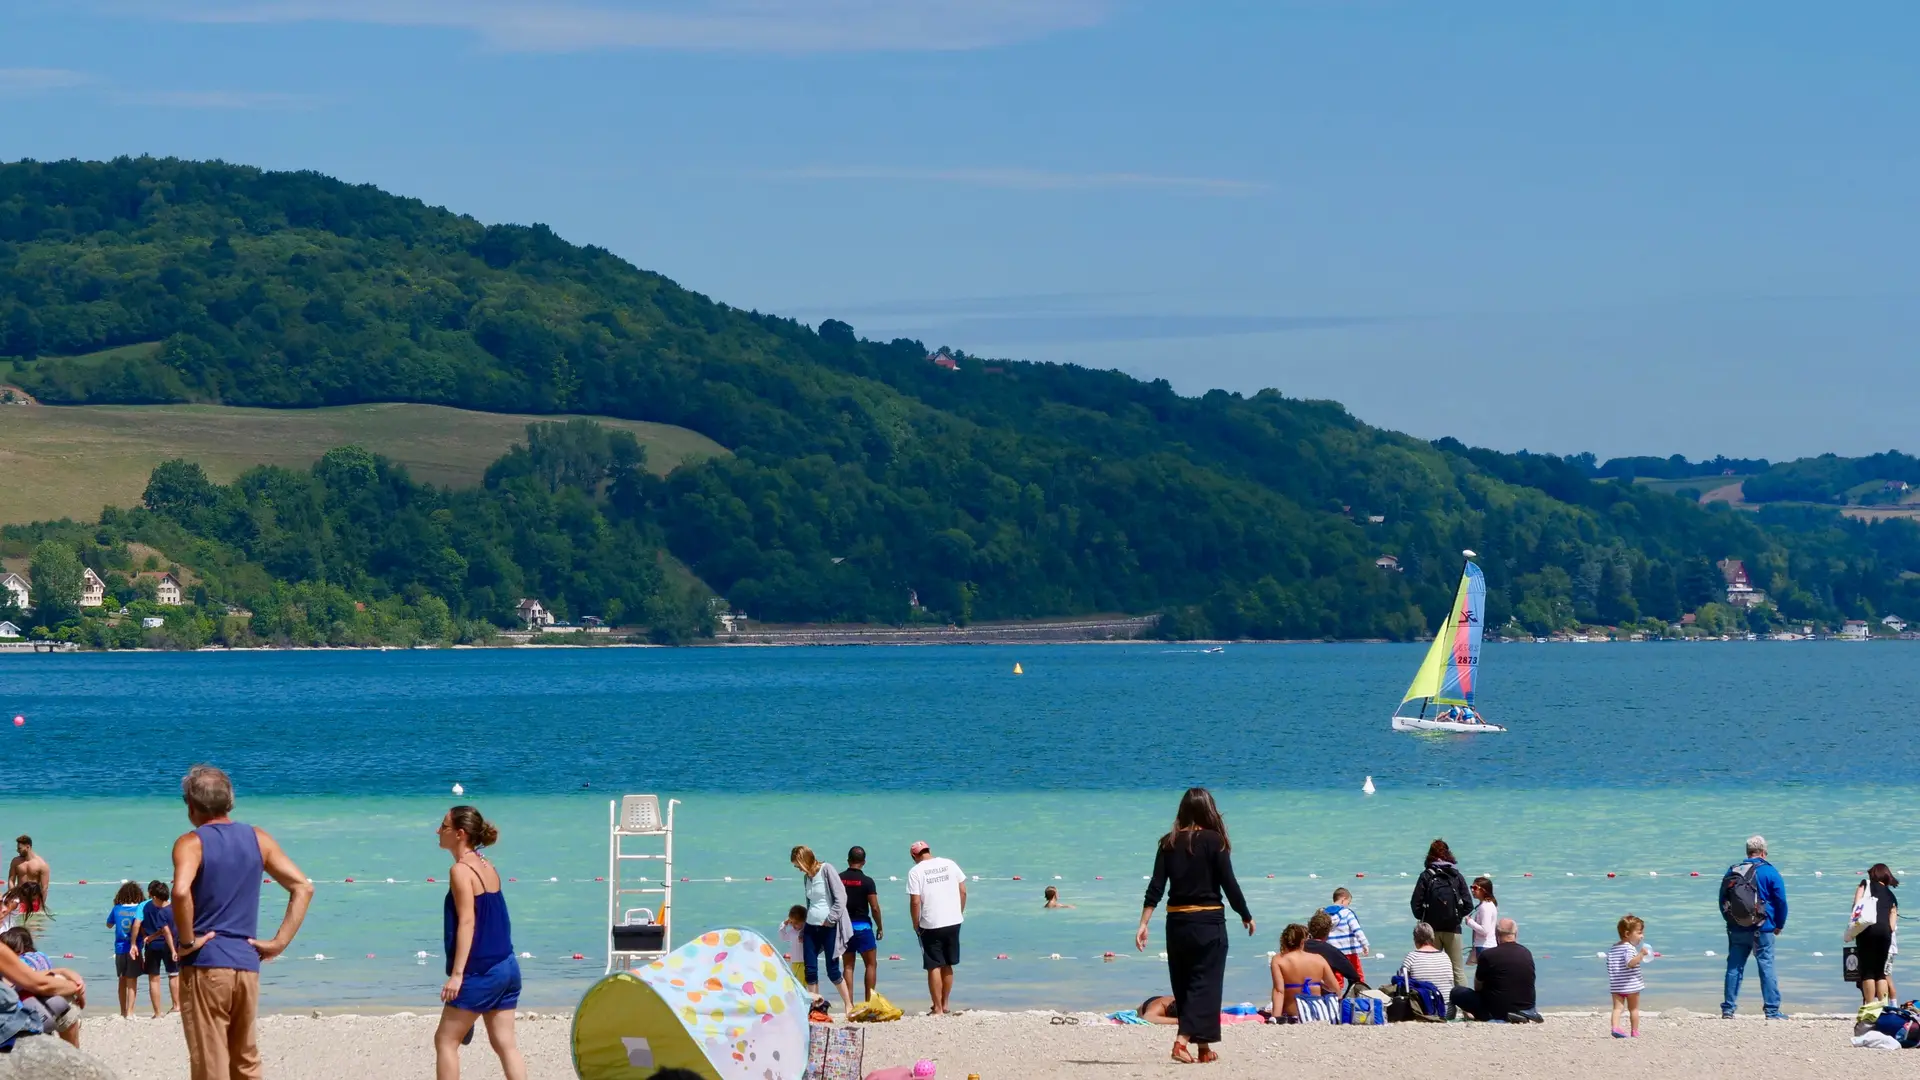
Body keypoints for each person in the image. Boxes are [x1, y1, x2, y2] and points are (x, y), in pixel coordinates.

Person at [172, 764, 314, 1080]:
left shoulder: (191, 842)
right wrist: (279, 942)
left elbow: (181, 892)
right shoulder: (258, 838)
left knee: (211, 1063)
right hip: (246, 963)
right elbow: (303, 887)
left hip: (206, 964)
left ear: (192, 807)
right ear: (230, 801)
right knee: (245, 1061)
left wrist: (186, 942)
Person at [1135, 787, 1254, 1065]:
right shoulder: (1215, 841)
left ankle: (1204, 1048)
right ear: (1208, 810)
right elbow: (1229, 884)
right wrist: (1245, 914)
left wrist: (1143, 923)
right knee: (1206, 985)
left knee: (1186, 985)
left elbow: (1155, 887)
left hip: (1176, 923)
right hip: (1208, 922)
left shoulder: (1168, 842)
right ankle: (1181, 1042)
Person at [434, 806, 527, 1080]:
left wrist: (457, 976)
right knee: (505, 1045)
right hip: (507, 967)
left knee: (445, 1041)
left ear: (460, 834)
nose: (438, 831)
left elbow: (467, 923)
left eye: (444, 826)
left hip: (481, 972)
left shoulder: (460, 871)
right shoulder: (487, 865)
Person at [1719, 834, 1787, 1020]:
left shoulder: (1733, 870)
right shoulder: (1770, 872)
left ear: (1747, 852)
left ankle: (1728, 1010)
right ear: (1764, 852)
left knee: (1734, 966)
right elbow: (1781, 901)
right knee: (1766, 967)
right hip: (1763, 928)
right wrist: (1779, 924)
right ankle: (1772, 1011)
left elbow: (1722, 900)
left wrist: (1731, 921)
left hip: (1737, 927)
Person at [789, 846, 853, 1014]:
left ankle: (848, 1004)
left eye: (798, 865)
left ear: (805, 860)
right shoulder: (806, 878)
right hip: (810, 926)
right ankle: (816, 1006)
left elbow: (841, 897)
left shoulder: (826, 870)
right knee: (810, 969)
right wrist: (803, 929)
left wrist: (831, 919)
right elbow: (809, 903)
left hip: (829, 927)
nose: (798, 868)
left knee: (832, 969)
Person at [905, 841, 966, 1016]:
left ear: (913, 856)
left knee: (934, 965)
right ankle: (945, 1004)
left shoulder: (916, 871)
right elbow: (963, 891)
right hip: (953, 920)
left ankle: (937, 1007)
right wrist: (958, 911)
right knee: (948, 963)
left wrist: (915, 922)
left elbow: (915, 901)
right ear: (929, 850)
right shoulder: (949, 863)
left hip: (930, 923)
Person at [0, 925, 85, 1047]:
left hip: (30, 1005)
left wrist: (64, 974)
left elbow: (33, 979)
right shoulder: (40, 956)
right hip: (31, 1010)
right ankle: (74, 1053)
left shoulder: (17, 959)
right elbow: (38, 982)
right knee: (61, 1004)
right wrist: (74, 987)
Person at [1449, 918, 1541, 1023]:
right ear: (1516, 933)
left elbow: (1478, 986)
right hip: (1526, 1008)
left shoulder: (1488, 955)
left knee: (1456, 992)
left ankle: (1449, 1017)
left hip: (1496, 1011)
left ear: (1496, 934)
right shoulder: (1526, 953)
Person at [1410, 839, 1473, 985]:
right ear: (1448, 854)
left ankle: (1432, 1003)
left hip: (1431, 929)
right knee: (1457, 970)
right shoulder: (1456, 875)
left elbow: (1415, 903)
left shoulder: (1426, 875)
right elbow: (1468, 904)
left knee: (1430, 968)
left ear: (1430, 855)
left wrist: (1423, 918)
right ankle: (1462, 1005)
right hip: (1453, 928)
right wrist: (1456, 916)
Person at [1850, 864, 1899, 1006]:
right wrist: (1887, 933)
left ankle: (1870, 1007)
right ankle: (1882, 1006)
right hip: (1885, 933)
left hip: (1867, 930)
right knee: (1880, 973)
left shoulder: (1865, 884)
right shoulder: (1891, 895)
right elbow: (1892, 921)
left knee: (1868, 972)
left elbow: (1856, 906)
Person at [839, 847, 884, 1003]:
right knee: (871, 964)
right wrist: (880, 926)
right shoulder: (867, 881)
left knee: (848, 966)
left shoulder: (839, 879)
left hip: (844, 927)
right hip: (863, 927)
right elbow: (875, 907)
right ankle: (869, 1002)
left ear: (848, 860)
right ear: (864, 862)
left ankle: (849, 1004)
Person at [131, 880, 180, 1018]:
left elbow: (136, 924)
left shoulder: (143, 906)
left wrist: (134, 943)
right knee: (173, 975)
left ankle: (158, 1013)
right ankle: (176, 1006)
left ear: (152, 894)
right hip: (170, 944)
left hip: (152, 945)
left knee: (154, 979)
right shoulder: (171, 905)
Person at [1269, 923, 1338, 1020]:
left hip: (1293, 1016)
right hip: (1318, 1015)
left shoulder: (1279, 960)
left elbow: (1279, 991)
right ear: (1303, 941)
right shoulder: (1318, 959)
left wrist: (1276, 1017)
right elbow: (1335, 989)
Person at [107, 881, 147, 1018]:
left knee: (122, 979)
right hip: (135, 949)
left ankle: (123, 1012)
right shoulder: (140, 908)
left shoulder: (117, 908)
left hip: (119, 949)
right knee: (132, 981)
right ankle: (130, 1012)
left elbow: (108, 925)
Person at [1608, 914, 1650, 1038]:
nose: (1642, 936)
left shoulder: (1613, 948)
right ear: (1627, 934)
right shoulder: (1629, 948)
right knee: (1634, 1009)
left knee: (1617, 1009)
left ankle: (1615, 1027)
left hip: (1616, 985)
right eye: (1639, 933)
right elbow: (1630, 963)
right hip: (1631, 985)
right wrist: (1641, 954)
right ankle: (1634, 1031)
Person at [1396, 921, 1455, 1003]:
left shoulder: (1412, 957)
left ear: (1415, 939)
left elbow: (1402, 983)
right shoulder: (1445, 956)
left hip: (1423, 1009)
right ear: (1432, 937)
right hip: (1447, 1008)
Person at [1304, 911, 1360, 992]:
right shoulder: (1332, 952)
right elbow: (1354, 977)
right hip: (1323, 995)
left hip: (1296, 992)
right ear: (1329, 931)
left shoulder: (1299, 948)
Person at [1324, 888, 1370, 984]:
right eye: (1348, 903)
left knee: (1337, 978)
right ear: (1343, 899)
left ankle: (1336, 997)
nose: (1348, 905)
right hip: (1350, 952)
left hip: (1333, 953)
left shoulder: (1324, 914)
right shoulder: (1347, 913)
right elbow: (1357, 930)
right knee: (1357, 975)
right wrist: (1364, 944)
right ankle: (1358, 994)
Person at [7, 838, 49, 911]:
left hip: (34, 900)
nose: (17, 850)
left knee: (34, 922)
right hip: (19, 899)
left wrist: (41, 907)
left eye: (19, 848)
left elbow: (44, 888)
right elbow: (11, 880)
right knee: (18, 922)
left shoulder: (42, 864)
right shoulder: (15, 861)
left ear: (28, 847)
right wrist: (12, 898)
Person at [1464, 876, 1498, 966]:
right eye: (1471, 887)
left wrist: (1469, 922)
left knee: (1484, 977)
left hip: (1485, 946)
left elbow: (1485, 930)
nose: (1472, 890)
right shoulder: (1486, 905)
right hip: (1485, 946)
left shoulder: (1485, 907)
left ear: (1484, 890)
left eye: (1475, 888)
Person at [777, 904, 808, 985]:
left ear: (804, 921)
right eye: (792, 923)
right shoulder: (792, 932)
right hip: (794, 962)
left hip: (804, 962)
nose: (794, 925)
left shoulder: (807, 932)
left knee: (803, 983)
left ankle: (806, 996)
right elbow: (783, 937)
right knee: (795, 983)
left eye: (797, 923)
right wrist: (784, 924)